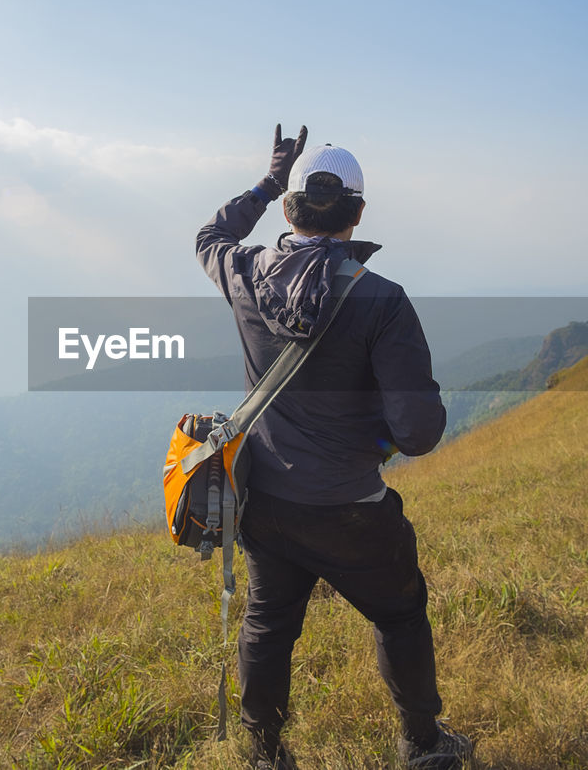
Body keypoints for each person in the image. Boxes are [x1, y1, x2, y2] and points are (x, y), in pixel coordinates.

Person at [196, 125, 473, 770]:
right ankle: (423, 746)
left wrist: (268, 179)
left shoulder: (243, 274)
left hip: (265, 503)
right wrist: (368, 440)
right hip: (352, 507)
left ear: (289, 210)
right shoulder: (383, 301)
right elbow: (419, 433)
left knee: (268, 623)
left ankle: (266, 755)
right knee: (400, 614)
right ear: (358, 214)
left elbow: (210, 237)